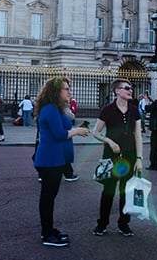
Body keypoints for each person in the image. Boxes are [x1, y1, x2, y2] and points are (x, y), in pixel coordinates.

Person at [33, 76, 90, 247]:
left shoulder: (56, 108)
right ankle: (47, 234)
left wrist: (76, 128)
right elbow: (59, 134)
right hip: (50, 159)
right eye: (66, 89)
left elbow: (63, 129)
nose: (69, 92)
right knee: (48, 198)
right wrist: (78, 131)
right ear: (56, 91)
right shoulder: (50, 108)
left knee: (50, 197)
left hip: (56, 158)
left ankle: (49, 230)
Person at [91, 78, 143, 237]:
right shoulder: (107, 110)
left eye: (131, 88)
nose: (130, 90)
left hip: (129, 156)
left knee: (125, 191)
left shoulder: (135, 110)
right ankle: (102, 224)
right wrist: (109, 141)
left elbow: (138, 136)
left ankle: (124, 223)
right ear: (117, 91)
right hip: (111, 156)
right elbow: (96, 132)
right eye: (127, 88)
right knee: (108, 191)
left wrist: (140, 158)